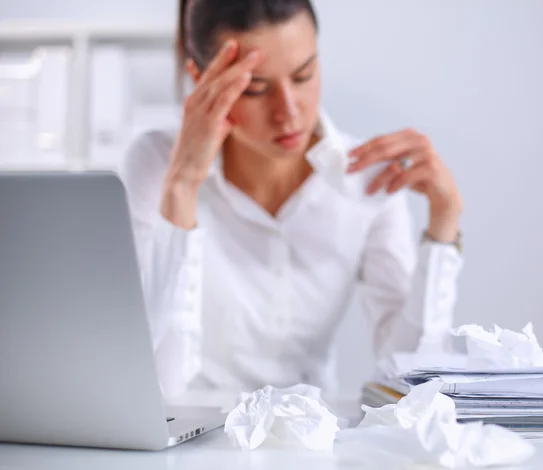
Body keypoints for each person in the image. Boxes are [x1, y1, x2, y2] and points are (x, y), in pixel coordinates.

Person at [120, 0, 464, 399]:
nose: (288, 113)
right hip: (190, 442)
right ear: (201, 78)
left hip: (311, 440)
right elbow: (155, 380)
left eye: (304, 75)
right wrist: (182, 184)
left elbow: (413, 373)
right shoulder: (156, 165)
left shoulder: (367, 182)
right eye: (255, 88)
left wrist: (444, 224)